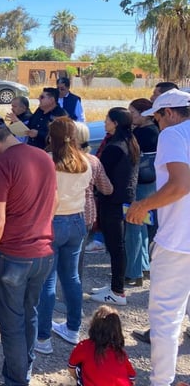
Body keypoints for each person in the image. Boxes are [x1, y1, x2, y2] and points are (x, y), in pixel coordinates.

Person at [0, 113, 56, 386]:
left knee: (11, 325)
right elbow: (53, 204)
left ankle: (16, 380)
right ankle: (24, 370)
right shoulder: (43, 157)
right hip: (42, 253)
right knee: (29, 314)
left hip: (11, 256)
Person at [126, 89, 190, 386]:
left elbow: (180, 185)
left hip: (179, 240)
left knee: (166, 317)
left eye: (158, 118)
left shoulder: (174, 135)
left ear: (170, 113)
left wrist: (143, 205)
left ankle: (161, 381)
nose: (158, 125)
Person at [36, 118, 92, 354]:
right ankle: (73, 328)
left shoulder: (47, 161)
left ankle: (42, 338)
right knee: (71, 278)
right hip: (77, 220)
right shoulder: (85, 162)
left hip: (53, 221)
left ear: (52, 137)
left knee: (47, 281)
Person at [89, 107, 139, 306]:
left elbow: (101, 176)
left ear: (116, 123)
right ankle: (114, 286)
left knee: (116, 246)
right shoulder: (130, 141)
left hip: (113, 201)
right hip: (124, 198)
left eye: (107, 119)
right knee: (116, 245)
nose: (104, 122)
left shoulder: (114, 147)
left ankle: (117, 290)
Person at [74, 122, 113, 285]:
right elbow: (107, 189)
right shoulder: (93, 161)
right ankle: (74, 299)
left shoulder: (55, 159)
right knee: (77, 259)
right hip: (86, 213)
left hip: (60, 212)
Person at [125, 98, 159, 287]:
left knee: (133, 225)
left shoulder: (142, 134)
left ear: (144, 113)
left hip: (138, 184)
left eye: (133, 113)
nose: (131, 116)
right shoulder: (154, 130)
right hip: (149, 183)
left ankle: (133, 272)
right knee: (143, 224)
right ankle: (144, 266)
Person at [67, 305, 135, 386]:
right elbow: (132, 378)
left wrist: (79, 379)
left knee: (79, 366)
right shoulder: (120, 353)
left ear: (93, 325)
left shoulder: (84, 346)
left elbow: (71, 367)